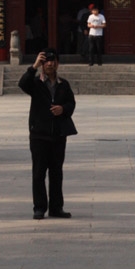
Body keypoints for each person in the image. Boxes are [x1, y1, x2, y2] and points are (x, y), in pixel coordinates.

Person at [18, 47, 77, 220]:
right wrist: (34, 66)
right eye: (47, 61)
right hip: (39, 135)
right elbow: (22, 84)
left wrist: (63, 109)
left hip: (58, 135)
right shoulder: (36, 83)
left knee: (56, 172)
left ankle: (56, 207)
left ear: (57, 63)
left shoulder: (63, 84)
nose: (50, 64)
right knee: (38, 173)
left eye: (53, 61)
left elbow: (71, 103)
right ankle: (39, 207)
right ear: (43, 64)